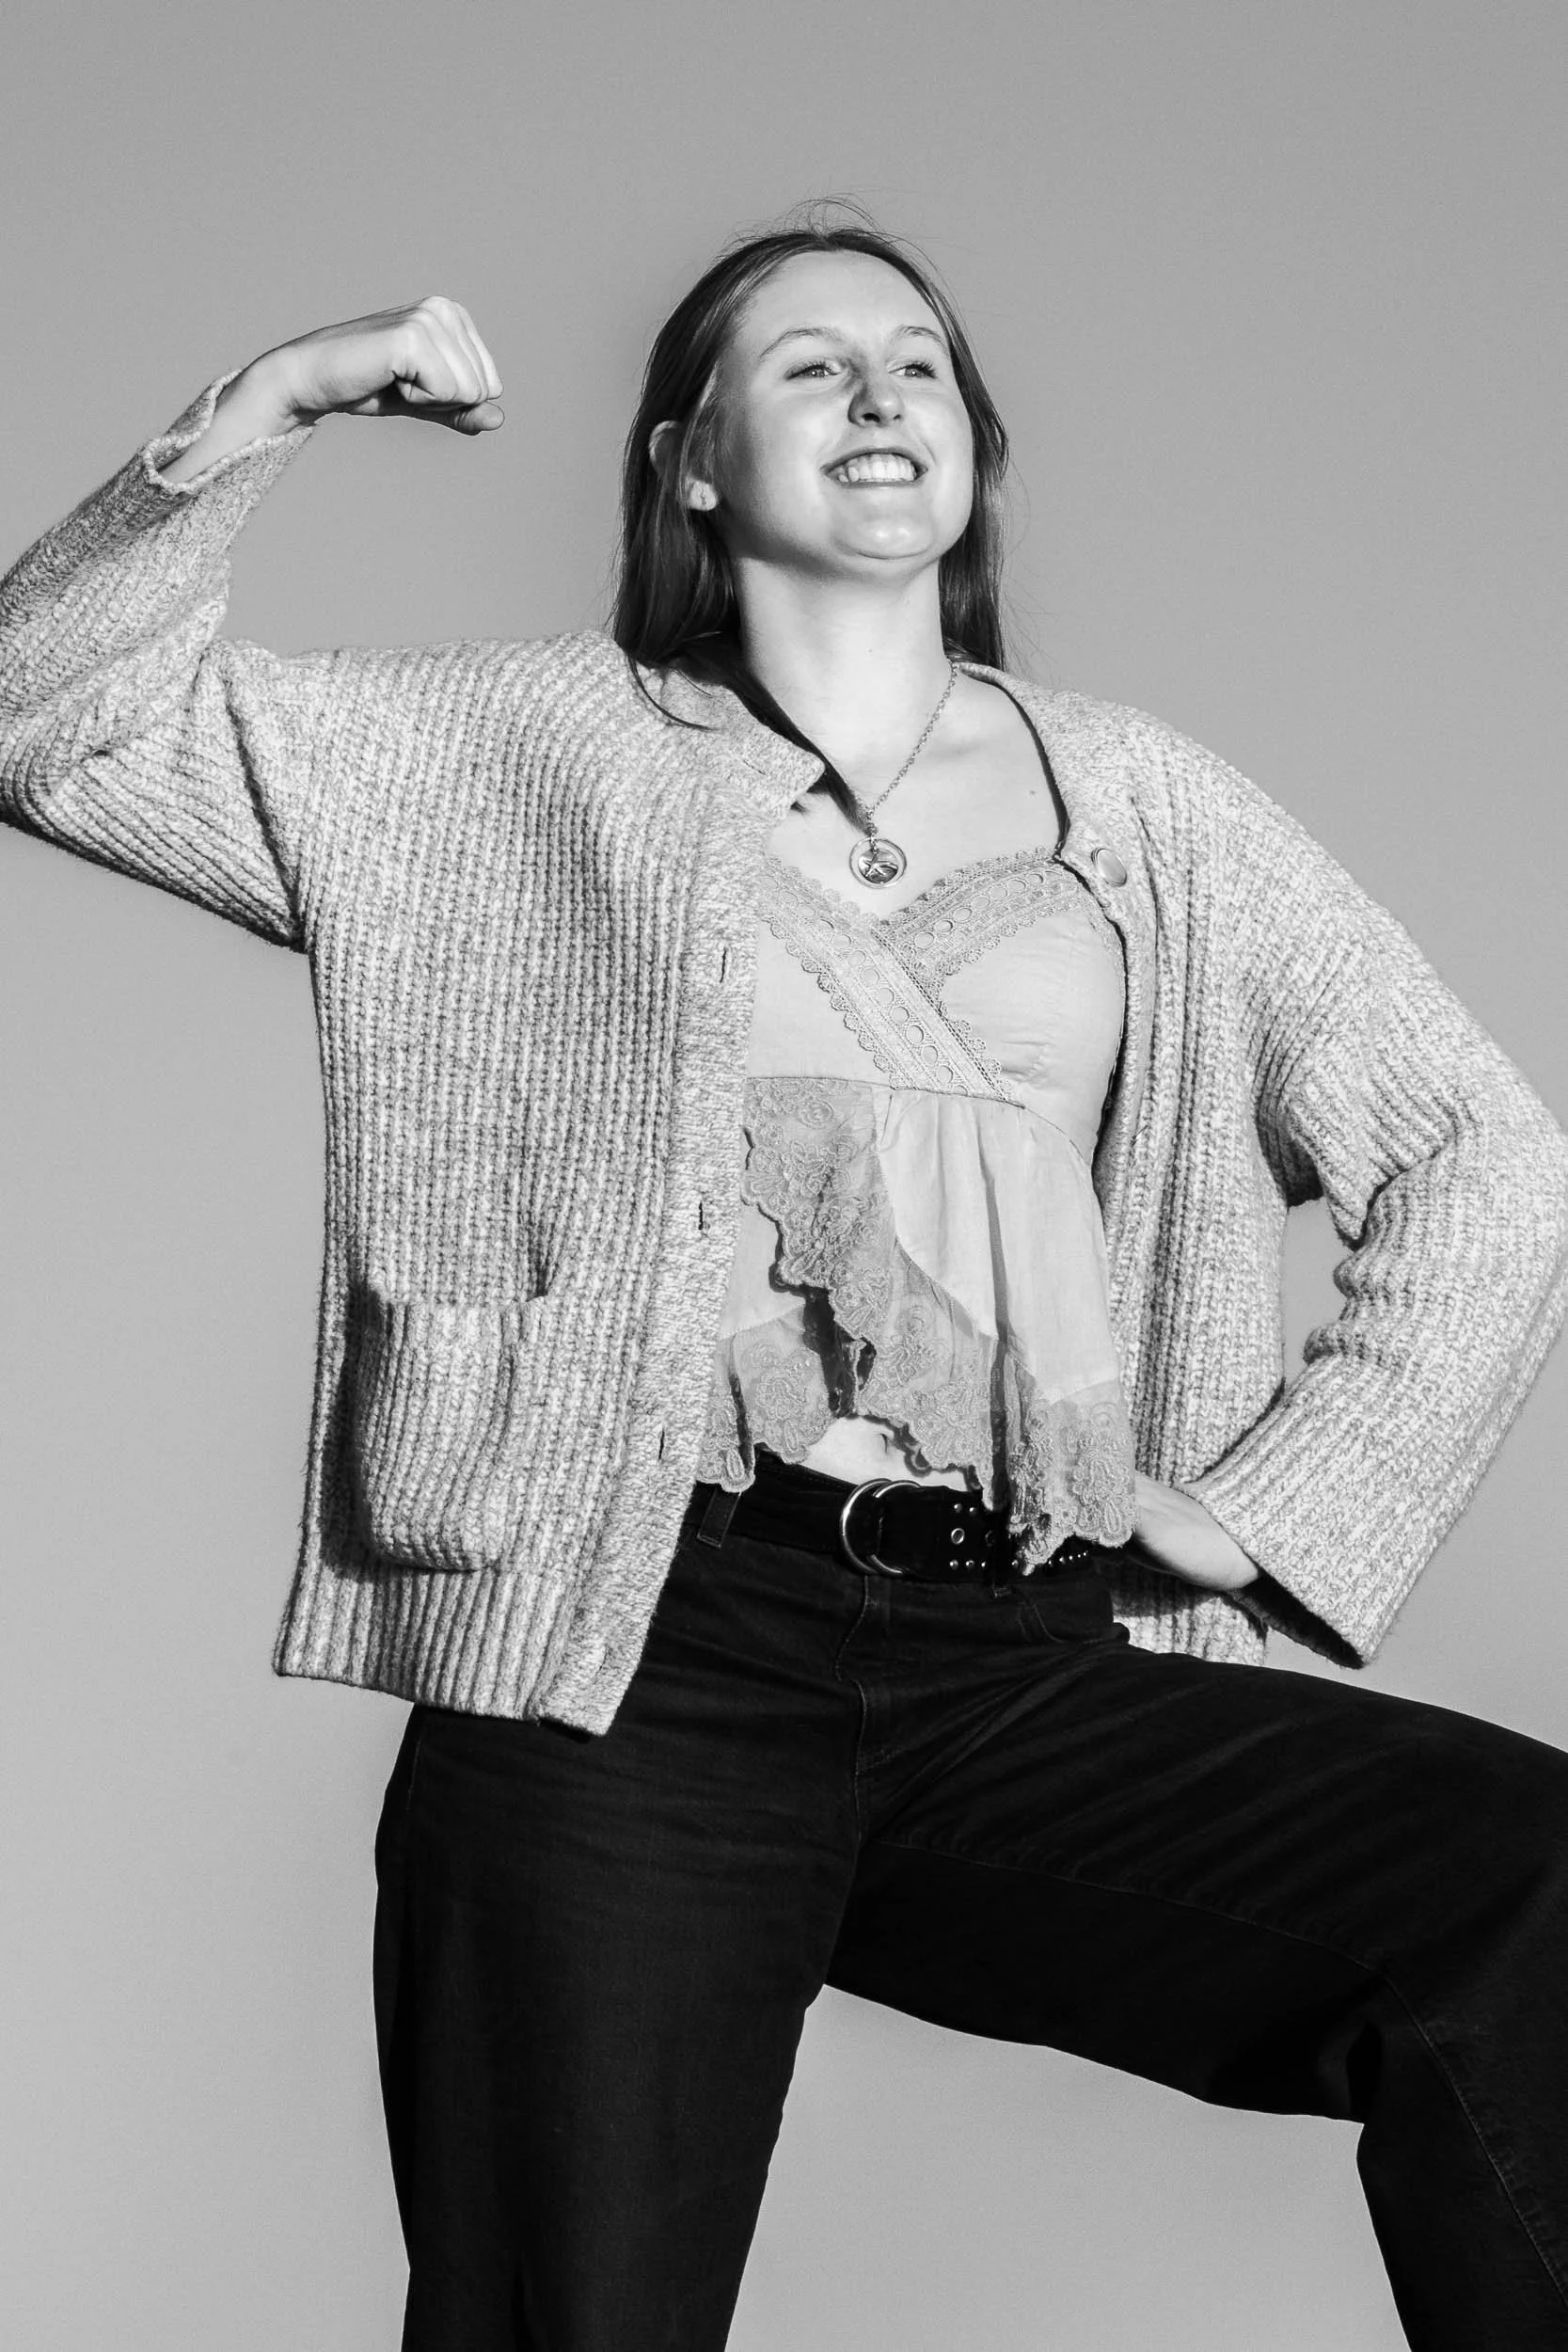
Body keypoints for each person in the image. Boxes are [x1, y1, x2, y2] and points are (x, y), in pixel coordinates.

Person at [4, 206, 1568, 2351]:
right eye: (809, 362)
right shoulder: (505, 758)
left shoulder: (1149, 806)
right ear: (690, 464)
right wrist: (265, 408)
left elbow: (1485, 1152)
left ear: (973, 456)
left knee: (1519, 1881)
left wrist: (1270, 1508)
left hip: (1011, 1649)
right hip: (624, 1645)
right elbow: (51, 721)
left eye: (917, 361)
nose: (877, 392)